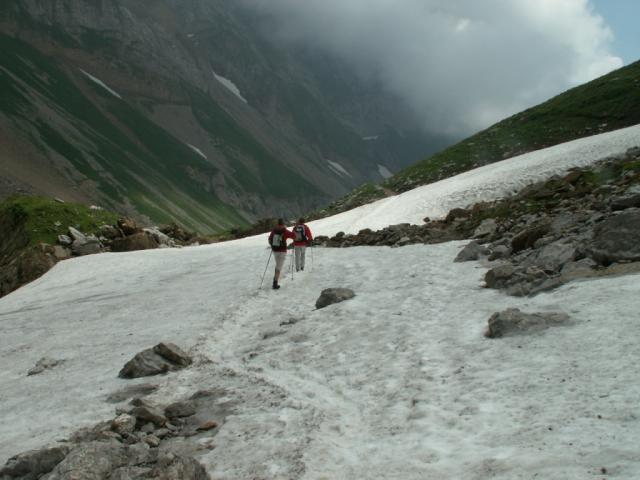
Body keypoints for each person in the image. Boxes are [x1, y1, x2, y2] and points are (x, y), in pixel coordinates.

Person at [268, 218, 295, 290]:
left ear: (278, 223)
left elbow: (270, 239)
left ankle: (275, 280)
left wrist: (272, 245)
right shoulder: (284, 231)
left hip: (275, 250)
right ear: (283, 224)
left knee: (278, 264)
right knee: (279, 267)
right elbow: (293, 236)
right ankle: (275, 283)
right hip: (282, 251)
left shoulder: (274, 230)